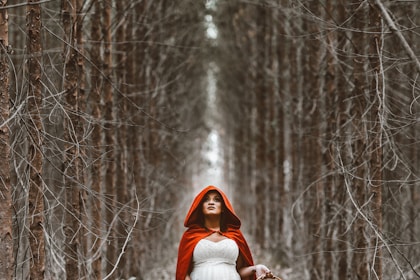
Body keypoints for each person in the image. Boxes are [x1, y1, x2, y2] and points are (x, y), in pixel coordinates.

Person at [176, 185, 271, 280]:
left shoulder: (235, 235)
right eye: (206, 200)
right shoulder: (190, 235)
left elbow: (239, 270)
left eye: (217, 200)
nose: (211, 202)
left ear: (223, 208)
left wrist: (255, 268)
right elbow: (183, 272)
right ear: (200, 207)